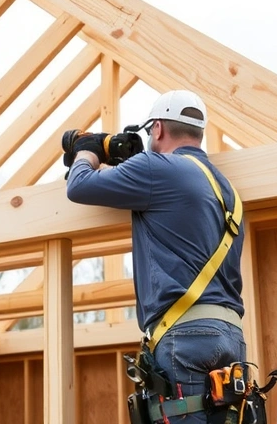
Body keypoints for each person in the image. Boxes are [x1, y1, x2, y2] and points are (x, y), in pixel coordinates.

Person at [65, 89, 245, 423]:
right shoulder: (227, 191)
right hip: (231, 335)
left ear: (158, 129)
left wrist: (87, 151)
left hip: (185, 335)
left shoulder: (157, 168)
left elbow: (79, 185)